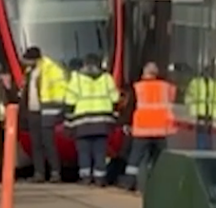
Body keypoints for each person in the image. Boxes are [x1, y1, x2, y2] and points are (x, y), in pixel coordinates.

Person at [121, 62, 176, 191]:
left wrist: (126, 124)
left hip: (142, 130)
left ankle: (129, 183)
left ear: (144, 73)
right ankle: (160, 185)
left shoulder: (138, 87)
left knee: (135, 158)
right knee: (160, 159)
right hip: (161, 130)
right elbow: (170, 104)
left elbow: (131, 107)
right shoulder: (166, 87)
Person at [65, 53, 119, 185]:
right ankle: (99, 177)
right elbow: (115, 98)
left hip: (82, 122)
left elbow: (70, 102)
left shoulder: (76, 78)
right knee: (100, 151)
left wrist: (68, 123)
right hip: (102, 122)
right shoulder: (107, 78)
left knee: (84, 151)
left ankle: (85, 177)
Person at [20, 47, 69, 182]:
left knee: (48, 143)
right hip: (33, 112)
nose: (26, 63)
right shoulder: (29, 72)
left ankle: (55, 172)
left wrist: (56, 109)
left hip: (47, 111)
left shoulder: (50, 69)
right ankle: (39, 173)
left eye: (28, 60)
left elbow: (61, 90)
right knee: (36, 144)